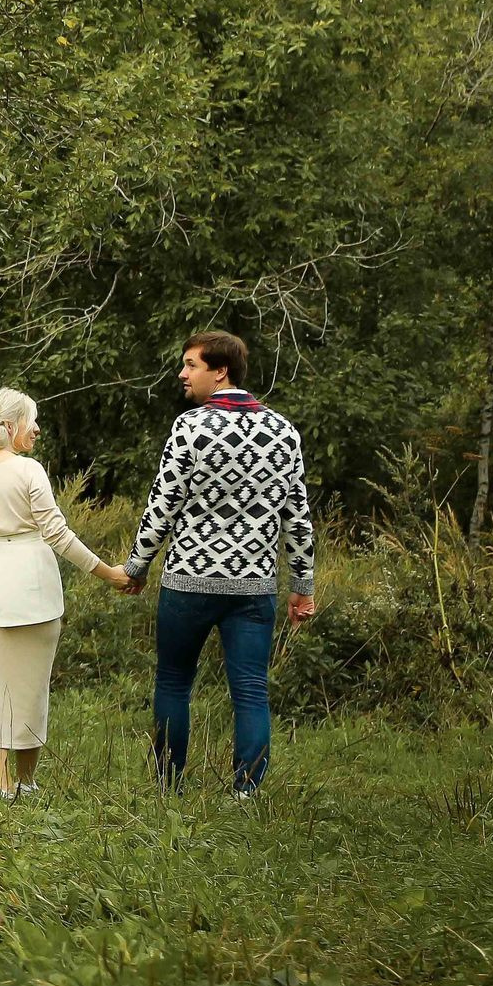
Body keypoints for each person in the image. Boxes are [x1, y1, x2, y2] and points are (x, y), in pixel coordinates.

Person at [123, 330, 317, 796]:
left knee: (173, 682)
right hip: (253, 587)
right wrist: (303, 584)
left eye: (191, 365)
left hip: (188, 583)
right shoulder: (283, 431)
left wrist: (137, 565)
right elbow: (297, 514)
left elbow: (163, 504)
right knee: (250, 689)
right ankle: (245, 794)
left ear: (221, 370)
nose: (182, 374)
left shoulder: (189, 427)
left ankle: (169, 788)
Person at [0, 388, 134, 799]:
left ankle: (1, 783)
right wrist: (107, 573)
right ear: (10, 427)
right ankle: (26, 782)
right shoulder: (27, 470)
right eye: (32, 420)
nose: (38, 428)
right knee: (30, 685)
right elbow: (57, 534)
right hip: (28, 583)